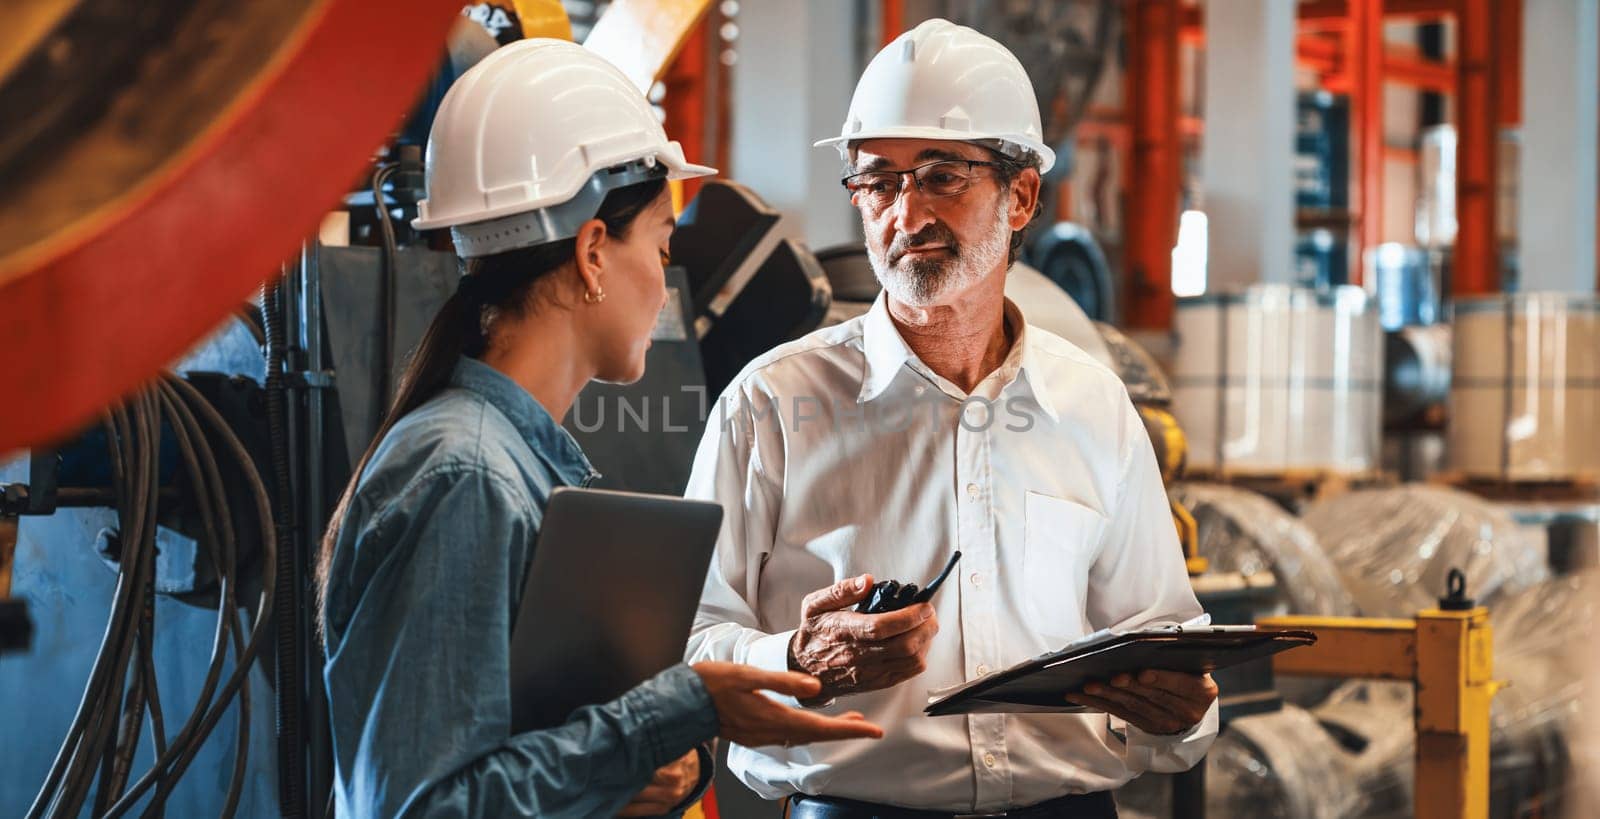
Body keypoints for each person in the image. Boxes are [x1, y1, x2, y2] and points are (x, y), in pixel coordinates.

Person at [316, 40, 882, 819]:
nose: (663, 285)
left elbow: (515, 762)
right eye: (660, 244)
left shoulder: (516, 464)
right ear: (592, 253)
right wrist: (678, 707)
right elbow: (423, 805)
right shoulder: (468, 476)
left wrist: (648, 767)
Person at [685, 19, 1216, 818]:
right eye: (879, 180)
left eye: (941, 175)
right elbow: (687, 645)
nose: (907, 213)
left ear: (1022, 195)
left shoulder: (1093, 405)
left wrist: (1183, 711)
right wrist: (798, 656)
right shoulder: (771, 406)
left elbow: (1163, 635)